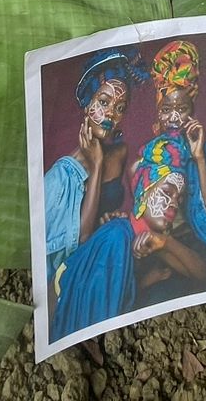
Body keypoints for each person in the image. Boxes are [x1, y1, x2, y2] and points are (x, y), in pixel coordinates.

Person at [50, 134, 206, 342]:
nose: (174, 203)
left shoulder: (152, 241)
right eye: (167, 192)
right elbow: (94, 329)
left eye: (179, 198)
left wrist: (166, 243)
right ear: (143, 192)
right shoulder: (117, 237)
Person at [43, 48, 142, 282]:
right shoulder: (60, 175)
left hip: (107, 258)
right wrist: (96, 166)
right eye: (104, 102)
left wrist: (111, 218)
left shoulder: (120, 153)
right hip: (75, 272)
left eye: (120, 108)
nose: (111, 114)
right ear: (88, 105)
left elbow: (129, 210)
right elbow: (81, 241)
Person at [148, 40, 206, 287]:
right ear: (158, 112)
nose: (174, 117)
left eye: (182, 109)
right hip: (165, 250)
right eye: (167, 109)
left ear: (192, 113)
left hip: (204, 247)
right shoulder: (152, 154)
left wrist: (199, 158)